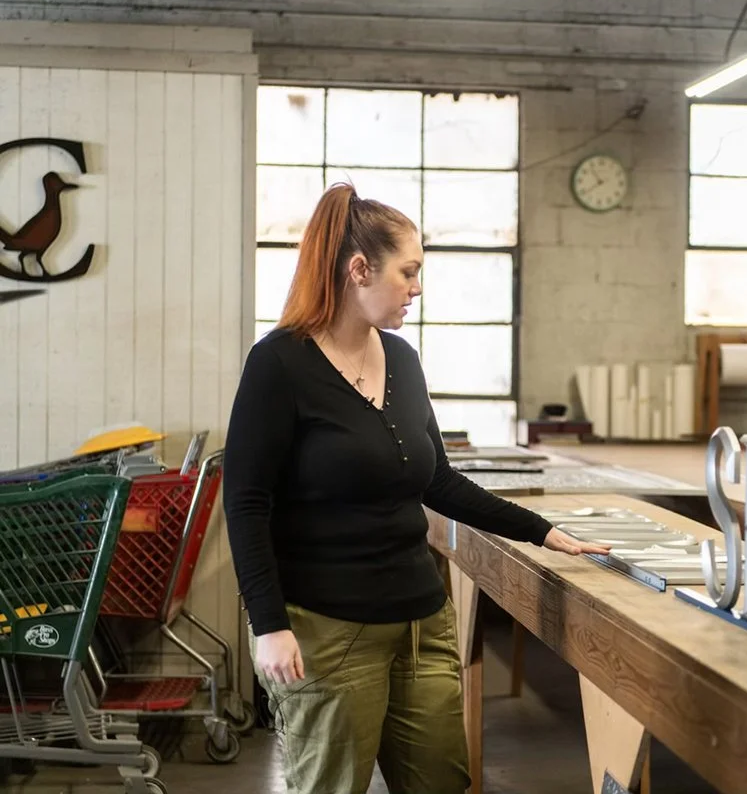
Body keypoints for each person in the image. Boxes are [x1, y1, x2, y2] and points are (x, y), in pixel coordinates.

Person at [222, 182, 608, 794]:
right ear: (358, 270)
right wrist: (268, 625)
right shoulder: (279, 364)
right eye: (409, 271)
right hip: (328, 632)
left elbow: (438, 481)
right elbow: (245, 504)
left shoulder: (402, 359)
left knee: (441, 782)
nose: (417, 287)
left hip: (423, 623)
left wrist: (544, 532)